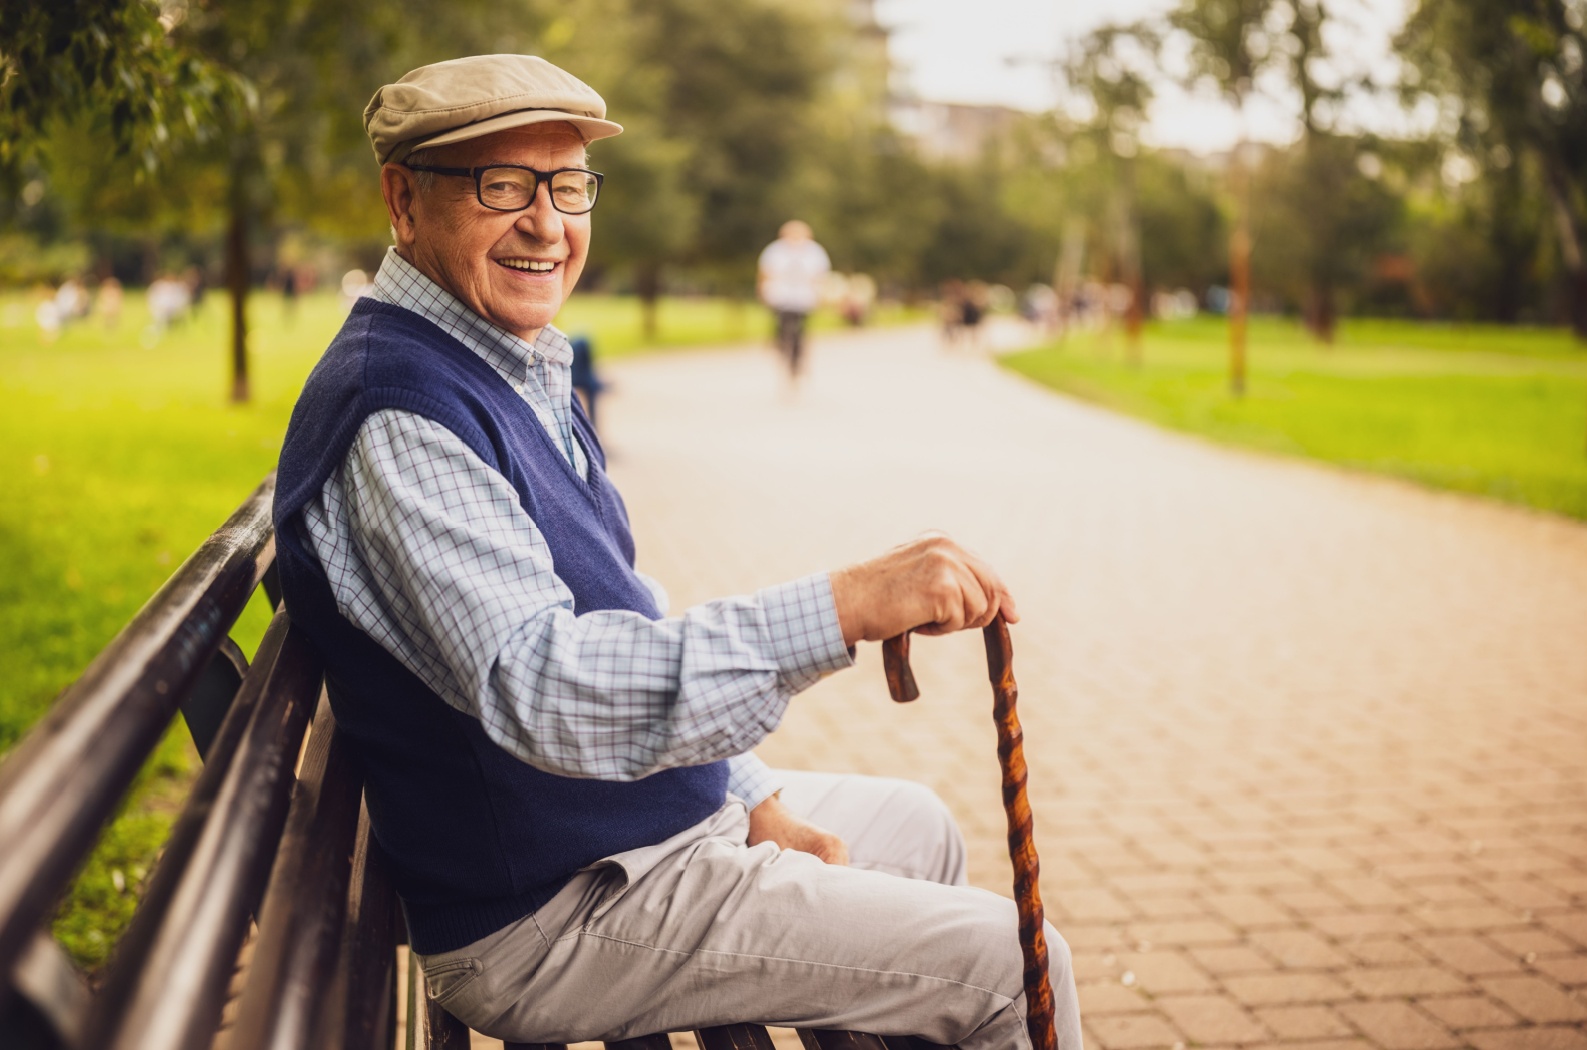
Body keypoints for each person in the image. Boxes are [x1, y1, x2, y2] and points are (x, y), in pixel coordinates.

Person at [271, 55, 1081, 1050]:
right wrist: (840, 607)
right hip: (551, 917)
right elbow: (548, 688)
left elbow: (623, 618)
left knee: (917, 828)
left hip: (616, 843)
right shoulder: (402, 415)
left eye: (567, 185)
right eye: (501, 185)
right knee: (1011, 961)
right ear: (403, 200)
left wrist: (748, 797)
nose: (546, 222)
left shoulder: (501, 363)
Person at [758, 219, 830, 384]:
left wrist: (821, 294)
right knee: (782, 323)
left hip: (804, 297)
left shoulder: (814, 251)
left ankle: (797, 360)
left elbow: (821, 276)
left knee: (800, 329)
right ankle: (780, 345)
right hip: (781, 295)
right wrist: (763, 291)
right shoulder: (774, 251)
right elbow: (765, 273)